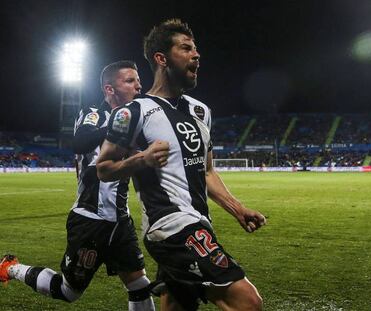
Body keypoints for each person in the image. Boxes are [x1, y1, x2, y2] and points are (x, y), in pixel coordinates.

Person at [96, 19, 266, 311]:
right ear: (161, 59)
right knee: (247, 302)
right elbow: (104, 167)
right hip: (169, 227)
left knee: (178, 305)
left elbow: (207, 170)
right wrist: (142, 159)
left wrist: (238, 208)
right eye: (186, 48)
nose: (196, 55)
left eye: (195, 49)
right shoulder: (133, 112)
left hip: (200, 222)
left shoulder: (201, 111)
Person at [0, 61, 155, 311]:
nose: (138, 86)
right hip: (90, 221)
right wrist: (117, 127)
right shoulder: (94, 113)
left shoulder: (134, 120)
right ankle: (11, 268)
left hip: (120, 221)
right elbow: (80, 141)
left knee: (138, 284)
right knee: (68, 291)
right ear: (109, 89)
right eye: (130, 81)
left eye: (138, 80)